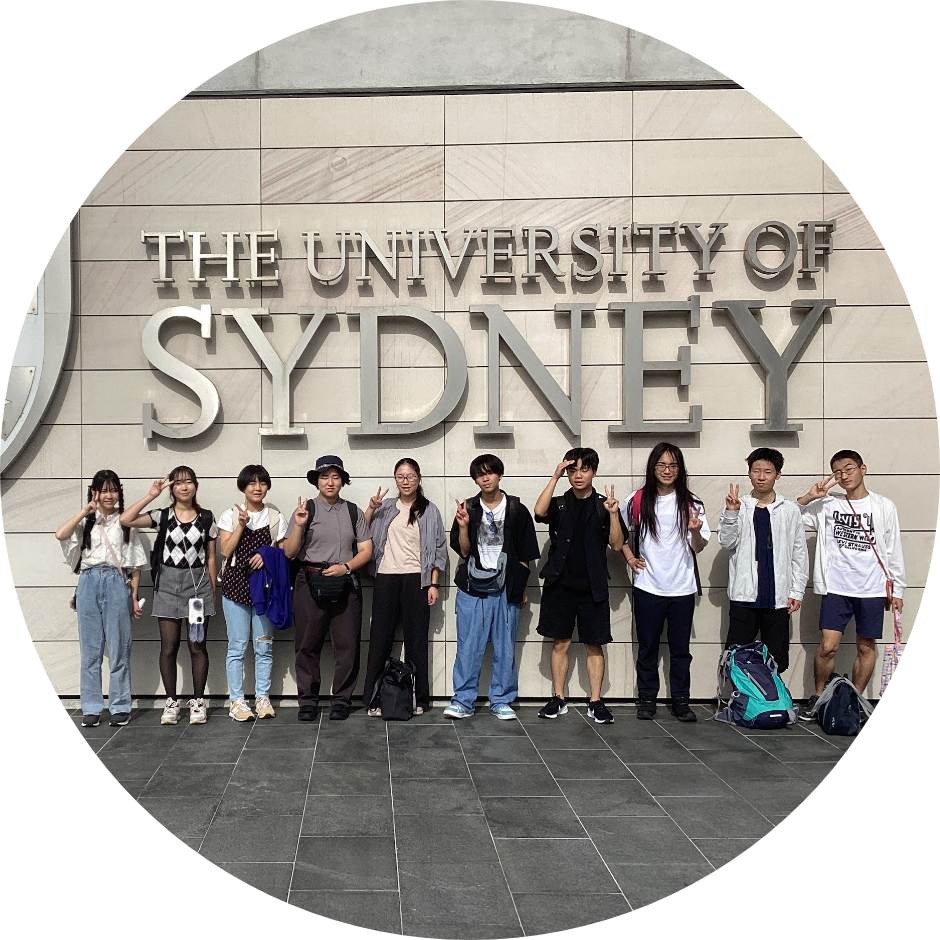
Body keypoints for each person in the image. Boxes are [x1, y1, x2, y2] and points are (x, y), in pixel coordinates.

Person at [796, 450, 905, 717]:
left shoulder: (883, 506)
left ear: (863, 469)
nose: (844, 476)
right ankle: (818, 697)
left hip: (872, 588)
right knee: (827, 646)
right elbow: (790, 517)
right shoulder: (828, 504)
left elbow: (893, 549)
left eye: (849, 469)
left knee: (866, 646)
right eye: (837, 472)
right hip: (835, 587)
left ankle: (853, 701)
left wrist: (898, 589)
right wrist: (811, 496)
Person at [444, 454, 539, 720]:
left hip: (506, 587)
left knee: (505, 647)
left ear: (500, 475)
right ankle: (462, 701)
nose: (485, 478)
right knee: (468, 647)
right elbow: (464, 552)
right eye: (479, 474)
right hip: (472, 587)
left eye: (490, 472)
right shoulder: (469, 508)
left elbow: (525, 554)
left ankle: (501, 700)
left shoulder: (517, 509)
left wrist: (521, 587)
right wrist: (464, 526)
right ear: (475, 479)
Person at [533, 447, 626, 723]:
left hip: (593, 586)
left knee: (594, 644)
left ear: (594, 472)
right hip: (560, 584)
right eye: (572, 470)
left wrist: (613, 514)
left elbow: (617, 544)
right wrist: (555, 477)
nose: (578, 475)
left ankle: (595, 701)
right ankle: (558, 698)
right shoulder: (560, 504)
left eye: (584, 469)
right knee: (560, 642)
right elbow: (539, 511)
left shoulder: (603, 505)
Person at [121, 467, 218, 726]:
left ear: (196, 485)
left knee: (197, 645)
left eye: (189, 482)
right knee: (169, 647)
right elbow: (126, 519)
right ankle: (172, 701)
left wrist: (211, 591)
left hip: (197, 588)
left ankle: (198, 701)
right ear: (172, 488)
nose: (184, 487)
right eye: (178, 483)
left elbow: (211, 557)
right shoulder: (162, 515)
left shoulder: (207, 517)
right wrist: (152, 494)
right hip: (167, 586)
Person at [621, 442, 709, 722]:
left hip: (682, 587)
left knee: (680, 650)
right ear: (653, 467)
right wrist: (629, 557)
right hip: (648, 585)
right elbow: (617, 534)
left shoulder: (692, 503)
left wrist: (695, 532)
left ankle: (681, 701)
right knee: (647, 647)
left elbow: (699, 546)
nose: (667, 470)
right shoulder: (637, 500)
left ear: (680, 469)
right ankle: (647, 699)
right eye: (661, 465)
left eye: (673, 465)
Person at [282, 455, 372, 722]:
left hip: (345, 582)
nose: (330, 482)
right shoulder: (305, 510)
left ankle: (342, 700)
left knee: (347, 645)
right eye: (324, 477)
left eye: (335, 477)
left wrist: (346, 567)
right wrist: (299, 525)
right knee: (307, 644)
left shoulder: (353, 511)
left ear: (343, 481)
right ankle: (308, 701)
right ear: (316, 481)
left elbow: (366, 550)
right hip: (310, 581)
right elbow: (289, 551)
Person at [56, 470, 146, 727]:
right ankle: (92, 708)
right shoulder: (86, 522)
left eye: (113, 489)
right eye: (103, 490)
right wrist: (85, 511)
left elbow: (135, 564)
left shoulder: (126, 521)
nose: (109, 495)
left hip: (117, 581)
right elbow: (61, 534)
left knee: (119, 647)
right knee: (90, 650)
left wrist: (133, 596)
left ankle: (120, 705)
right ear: (94, 492)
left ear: (119, 492)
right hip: (88, 581)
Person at [362, 458, 448, 717]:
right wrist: (371, 508)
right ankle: (373, 699)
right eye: (400, 476)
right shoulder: (385, 507)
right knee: (380, 639)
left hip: (417, 580)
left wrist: (433, 583)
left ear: (419, 478)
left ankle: (418, 699)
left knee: (416, 641)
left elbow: (439, 549)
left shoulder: (429, 510)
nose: (406, 481)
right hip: (386, 577)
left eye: (410, 476)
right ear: (395, 479)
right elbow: (361, 533)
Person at [718, 447, 808, 673]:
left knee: (776, 661)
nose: (761, 476)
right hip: (744, 597)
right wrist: (731, 513)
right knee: (737, 658)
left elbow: (799, 552)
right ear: (749, 473)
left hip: (777, 598)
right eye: (756, 471)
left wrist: (797, 591)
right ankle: (741, 695)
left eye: (767, 471)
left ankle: (773, 695)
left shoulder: (789, 510)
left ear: (778, 474)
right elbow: (726, 542)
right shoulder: (739, 506)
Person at [217, 464, 288, 722]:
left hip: (265, 589)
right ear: (243, 487)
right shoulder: (229, 515)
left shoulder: (276, 518)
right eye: (252, 483)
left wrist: (266, 554)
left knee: (264, 645)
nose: (257, 488)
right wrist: (241, 525)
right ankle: (236, 700)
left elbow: (284, 553)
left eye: (262, 483)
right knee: (237, 646)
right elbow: (226, 551)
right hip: (235, 586)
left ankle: (262, 697)